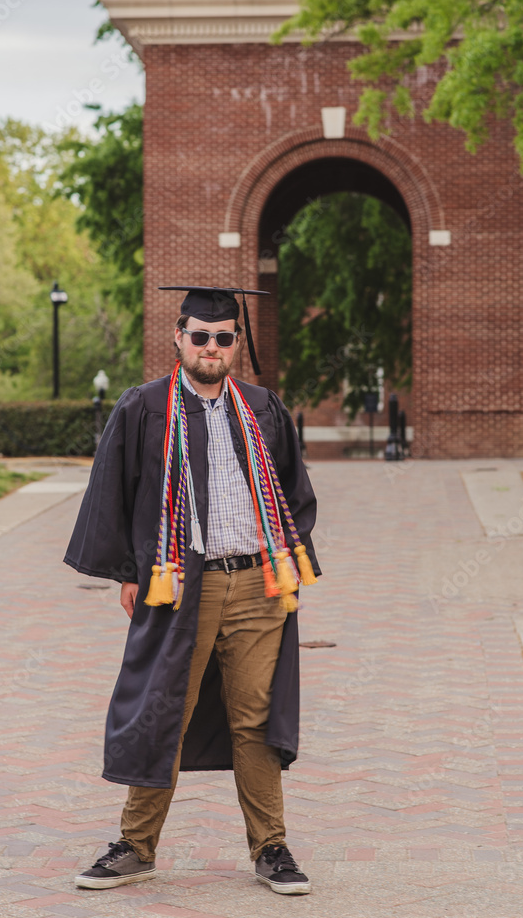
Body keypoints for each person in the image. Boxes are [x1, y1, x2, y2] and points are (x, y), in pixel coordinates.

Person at [64, 285, 321, 895]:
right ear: (178, 337)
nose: (212, 346)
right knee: (163, 710)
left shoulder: (262, 407)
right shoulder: (145, 406)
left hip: (259, 583)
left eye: (224, 336)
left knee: (256, 718)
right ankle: (135, 846)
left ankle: (272, 848)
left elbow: (293, 492)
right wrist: (129, 570)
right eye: (200, 335)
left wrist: (292, 562)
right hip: (181, 583)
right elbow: (116, 491)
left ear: (237, 343)